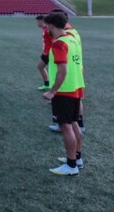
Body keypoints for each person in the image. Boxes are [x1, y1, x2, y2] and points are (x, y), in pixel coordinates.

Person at [41, 12, 85, 176]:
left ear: (51, 26)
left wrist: (52, 92)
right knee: (74, 124)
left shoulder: (59, 44)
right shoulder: (72, 39)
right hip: (75, 88)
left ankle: (71, 166)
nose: (46, 30)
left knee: (66, 127)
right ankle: (77, 158)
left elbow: (62, 70)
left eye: (47, 27)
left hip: (64, 90)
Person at [36, 15, 51, 91]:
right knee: (40, 67)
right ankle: (47, 84)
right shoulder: (44, 29)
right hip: (46, 52)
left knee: (53, 71)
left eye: (37, 21)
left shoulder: (47, 29)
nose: (37, 23)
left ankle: (53, 88)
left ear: (41, 21)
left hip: (50, 53)